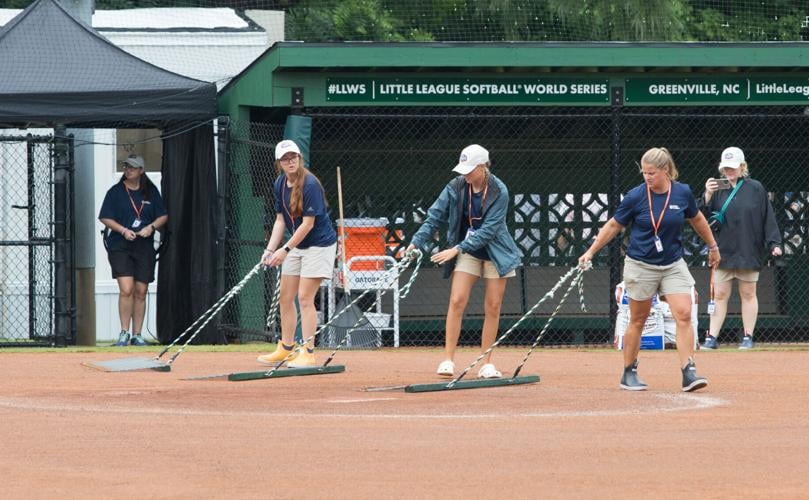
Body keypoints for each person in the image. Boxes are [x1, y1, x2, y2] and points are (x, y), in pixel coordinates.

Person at [578, 147, 720, 392]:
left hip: (673, 263)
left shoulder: (682, 193)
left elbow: (697, 219)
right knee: (638, 319)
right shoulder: (635, 196)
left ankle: (689, 370)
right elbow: (614, 225)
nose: (647, 177)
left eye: (651, 173)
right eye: (644, 172)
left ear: (665, 170)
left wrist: (713, 246)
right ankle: (629, 371)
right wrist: (590, 251)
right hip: (641, 264)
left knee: (684, 313)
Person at [406, 144, 523, 379]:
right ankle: (448, 360)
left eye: (470, 169)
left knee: (493, 306)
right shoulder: (456, 186)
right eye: (463, 169)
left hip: (495, 252)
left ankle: (486, 362)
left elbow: (489, 230)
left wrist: (455, 249)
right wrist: (416, 242)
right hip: (468, 250)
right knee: (457, 300)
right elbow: (435, 215)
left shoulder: (499, 190)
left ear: (482, 167)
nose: (465, 174)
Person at [256, 140, 337, 367]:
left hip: (319, 245)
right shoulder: (279, 183)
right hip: (296, 245)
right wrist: (270, 249)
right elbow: (281, 220)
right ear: (279, 163)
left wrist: (284, 250)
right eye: (285, 158)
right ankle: (286, 348)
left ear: (299, 158)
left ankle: (308, 352)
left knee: (304, 297)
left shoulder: (310, 184)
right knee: (285, 297)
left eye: (293, 157)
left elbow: (307, 225)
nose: (290, 161)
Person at [700, 147, 782, 350]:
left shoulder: (756, 188)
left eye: (733, 167)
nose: (729, 171)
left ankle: (748, 335)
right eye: (726, 168)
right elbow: (700, 218)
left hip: (748, 248)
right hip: (723, 250)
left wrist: (775, 243)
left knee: (748, 293)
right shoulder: (717, 189)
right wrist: (707, 196)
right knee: (719, 294)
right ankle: (712, 337)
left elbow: (767, 217)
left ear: (742, 167)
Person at [99, 154, 168, 346]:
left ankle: (137, 334)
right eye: (126, 167)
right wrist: (122, 230)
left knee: (141, 289)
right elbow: (104, 217)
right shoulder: (115, 192)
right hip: (120, 245)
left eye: (133, 167)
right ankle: (124, 332)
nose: (128, 170)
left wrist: (150, 228)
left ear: (141, 171)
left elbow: (163, 216)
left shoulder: (151, 192)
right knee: (126, 288)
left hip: (143, 246)